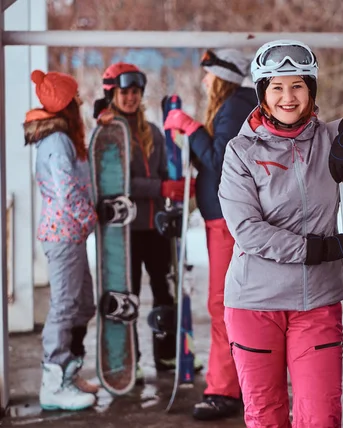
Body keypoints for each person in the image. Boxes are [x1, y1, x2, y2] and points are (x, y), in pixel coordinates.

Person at [217, 40, 343, 427]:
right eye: (277, 87)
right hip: (254, 305)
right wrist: (321, 249)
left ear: (311, 91)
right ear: (262, 94)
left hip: (316, 303)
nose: (288, 97)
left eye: (298, 86)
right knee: (265, 417)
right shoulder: (241, 152)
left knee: (321, 417)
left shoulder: (330, 140)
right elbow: (248, 232)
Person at [163, 48, 256, 420]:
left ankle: (224, 390)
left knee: (223, 304)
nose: (204, 81)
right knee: (231, 304)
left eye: (209, 74)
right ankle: (241, 385)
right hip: (223, 220)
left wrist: (191, 128)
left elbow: (222, 161)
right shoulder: (239, 104)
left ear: (223, 78)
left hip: (226, 223)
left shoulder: (234, 106)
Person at [93, 62, 201, 381]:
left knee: (165, 291)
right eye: (124, 92)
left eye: (135, 92)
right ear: (112, 94)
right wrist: (159, 187)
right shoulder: (107, 133)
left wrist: (177, 183)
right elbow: (116, 182)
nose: (130, 98)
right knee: (128, 296)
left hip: (156, 226)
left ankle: (167, 356)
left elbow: (161, 170)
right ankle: (131, 360)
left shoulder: (152, 130)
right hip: (124, 231)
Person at [24, 70, 98, 410]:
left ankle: (69, 370)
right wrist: (91, 217)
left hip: (72, 233)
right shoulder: (55, 141)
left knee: (83, 304)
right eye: (76, 100)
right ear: (66, 105)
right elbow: (67, 189)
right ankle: (53, 384)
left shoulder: (63, 138)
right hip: (63, 234)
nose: (79, 105)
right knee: (65, 306)